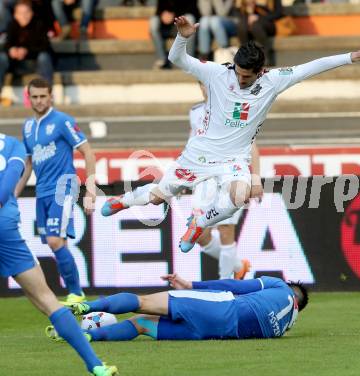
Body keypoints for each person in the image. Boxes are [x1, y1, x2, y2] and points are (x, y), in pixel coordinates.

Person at [101, 16, 360, 255]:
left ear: (261, 72)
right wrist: (182, 37)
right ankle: (123, 201)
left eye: (246, 77)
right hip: (199, 153)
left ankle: (200, 221)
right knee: (156, 198)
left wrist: (353, 57)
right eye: (237, 72)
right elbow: (177, 58)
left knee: (239, 195)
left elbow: (311, 66)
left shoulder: (274, 80)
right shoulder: (216, 73)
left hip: (234, 157)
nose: (239, 79)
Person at [0, 133, 117, 376]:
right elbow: (7, 187)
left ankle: (77, 295)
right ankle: (96, 366)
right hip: (5, 229)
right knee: (46, 298)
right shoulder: (13, 145)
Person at [15, 77, 97, 304]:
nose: (39, 101)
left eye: (43, 96)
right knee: (57, 243)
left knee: (54, 240)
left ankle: (76, 294)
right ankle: (74, 294)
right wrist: (12, 195)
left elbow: (88, 153)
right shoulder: (28, 127)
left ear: (51, 96)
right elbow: (28, 163)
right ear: (29, 98)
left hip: (63, 187)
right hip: (42, 192)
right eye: (35, 97)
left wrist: (91, 190)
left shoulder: (62, 121)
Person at [48, 273, 308, 341]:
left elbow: (236, 286)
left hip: (222, 307)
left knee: (143, 303)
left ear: (290, 288)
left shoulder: (278, 286)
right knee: (143, 325)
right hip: (214, 332)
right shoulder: (285, 326)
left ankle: (85, 306)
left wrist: (192, 284)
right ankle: (84, 335)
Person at [190, 81, 259, 279]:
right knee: (199, 234)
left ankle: (226, 285)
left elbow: (251, 145)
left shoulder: (237, 108)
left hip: (230, 176)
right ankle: (238, 267)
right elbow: (193, 144)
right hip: (204, 179)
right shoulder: (195, 112)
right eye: (203, 85)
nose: (206, 89)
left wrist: (255, 179)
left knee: (226, 230)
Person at [0, 0, 54, 102]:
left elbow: (45, 46)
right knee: (1, 58)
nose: (23, 16)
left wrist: (26, 51)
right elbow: (6, 46)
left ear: (31, 13)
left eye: (26, 13)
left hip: (34, 64)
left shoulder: (39, 25)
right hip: (16, 64)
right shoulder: (12, 25)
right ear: (15, 15)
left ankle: (47, 95)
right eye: (20, 13)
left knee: (44, 57)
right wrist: (12, 50)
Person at [149, 0, 199, 69]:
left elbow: (193, 10)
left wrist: (174, 15)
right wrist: (162, 15)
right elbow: (159, 10)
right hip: (167, 27)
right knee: (153, 21)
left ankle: (189, 61)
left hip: (182, 24)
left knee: (190, 18)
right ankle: (162, 60)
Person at [234, 0, 282, 66]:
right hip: (249, 22)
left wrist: (259, 17)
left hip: (268, 23)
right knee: (242, 26)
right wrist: (249, 11)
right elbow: (239, 13)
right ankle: (245, 56)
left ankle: (265, 57)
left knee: (255, 27)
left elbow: (278, 13)